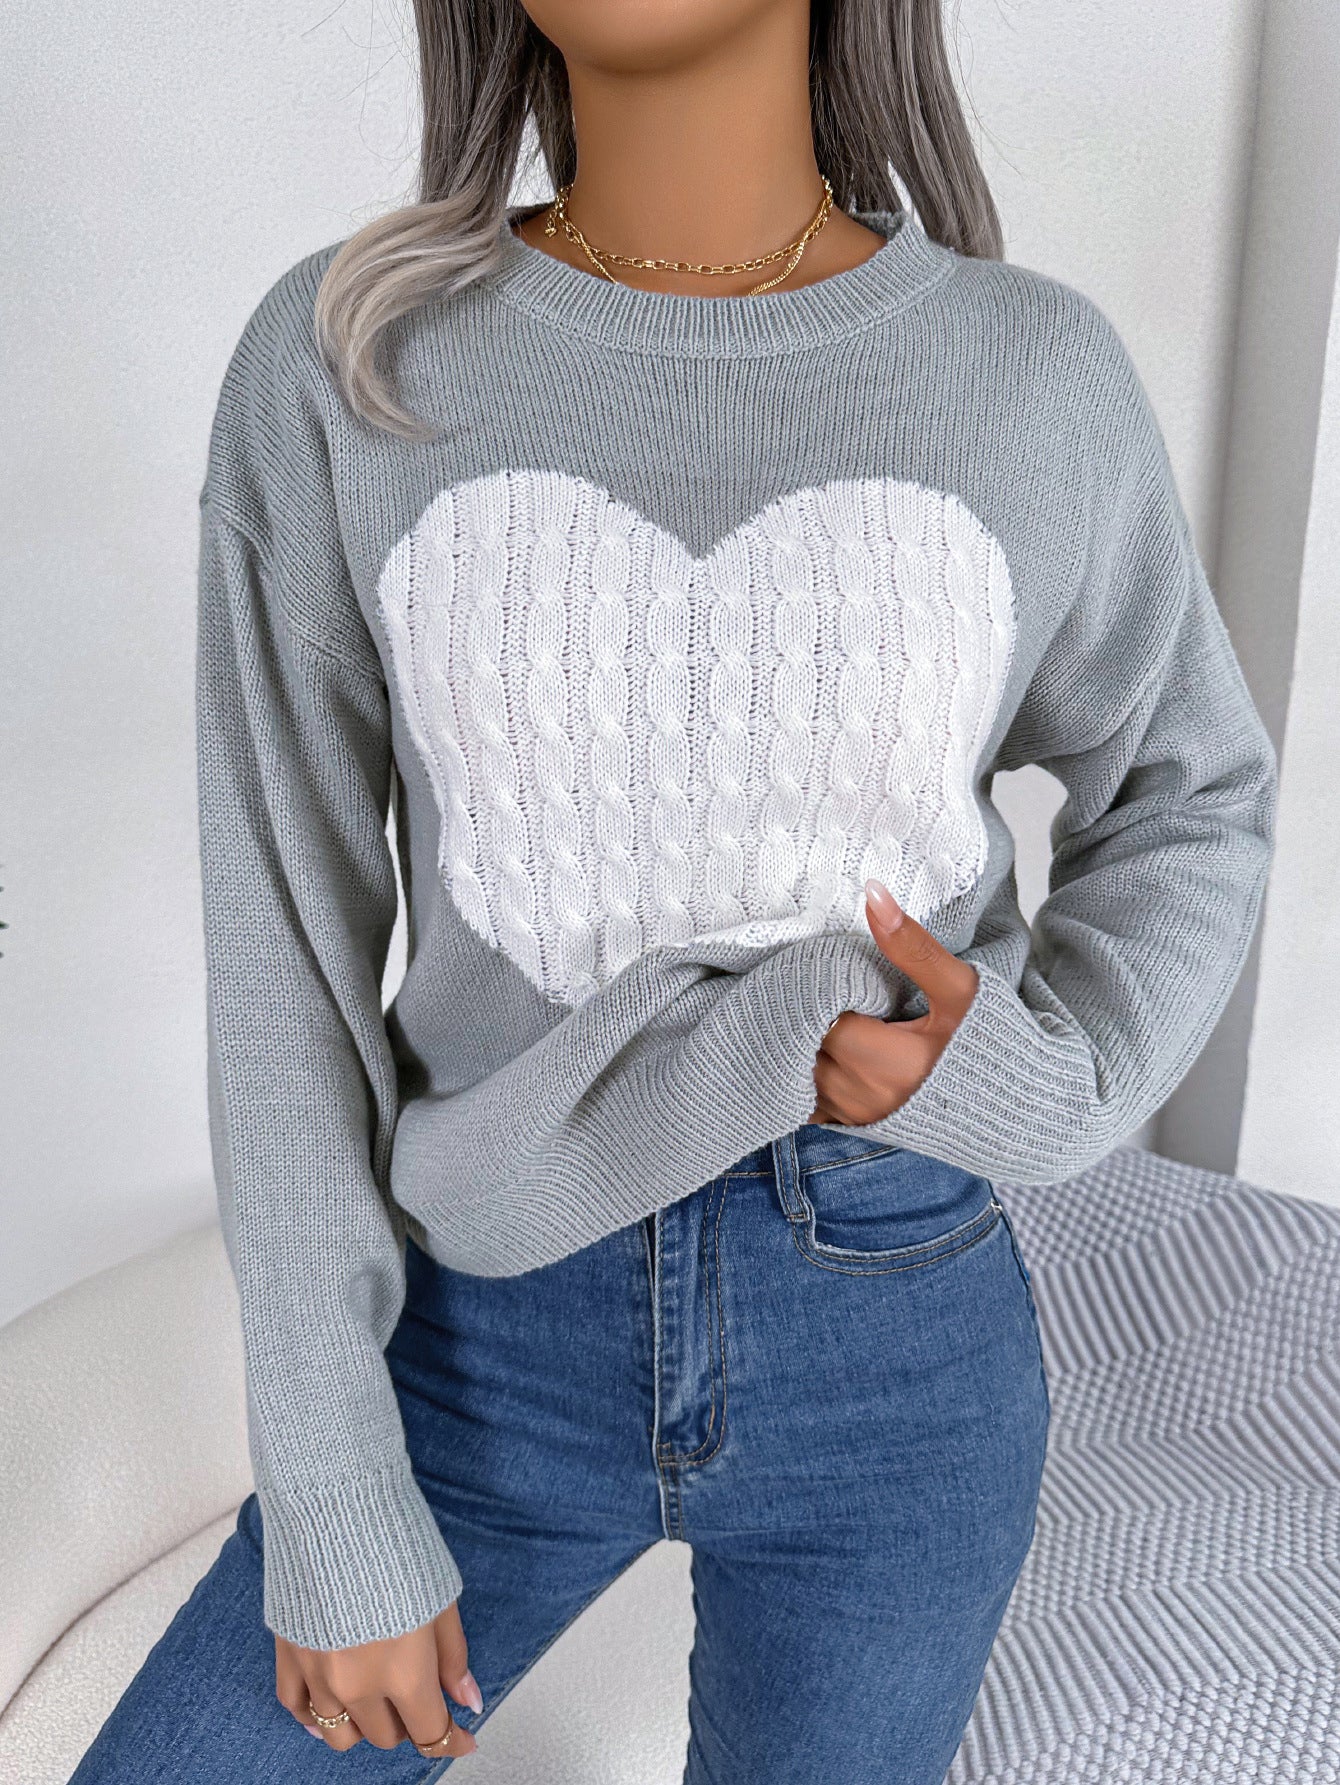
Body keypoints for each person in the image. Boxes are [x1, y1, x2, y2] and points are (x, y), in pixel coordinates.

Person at [72, 0, 1278, 1779]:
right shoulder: (349, 362)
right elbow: (285, 962)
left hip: (894, 1321)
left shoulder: (1032, 373)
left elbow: (1193, 792)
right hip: (486, 1326)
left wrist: (1037, 1076)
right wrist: (332, 1493)